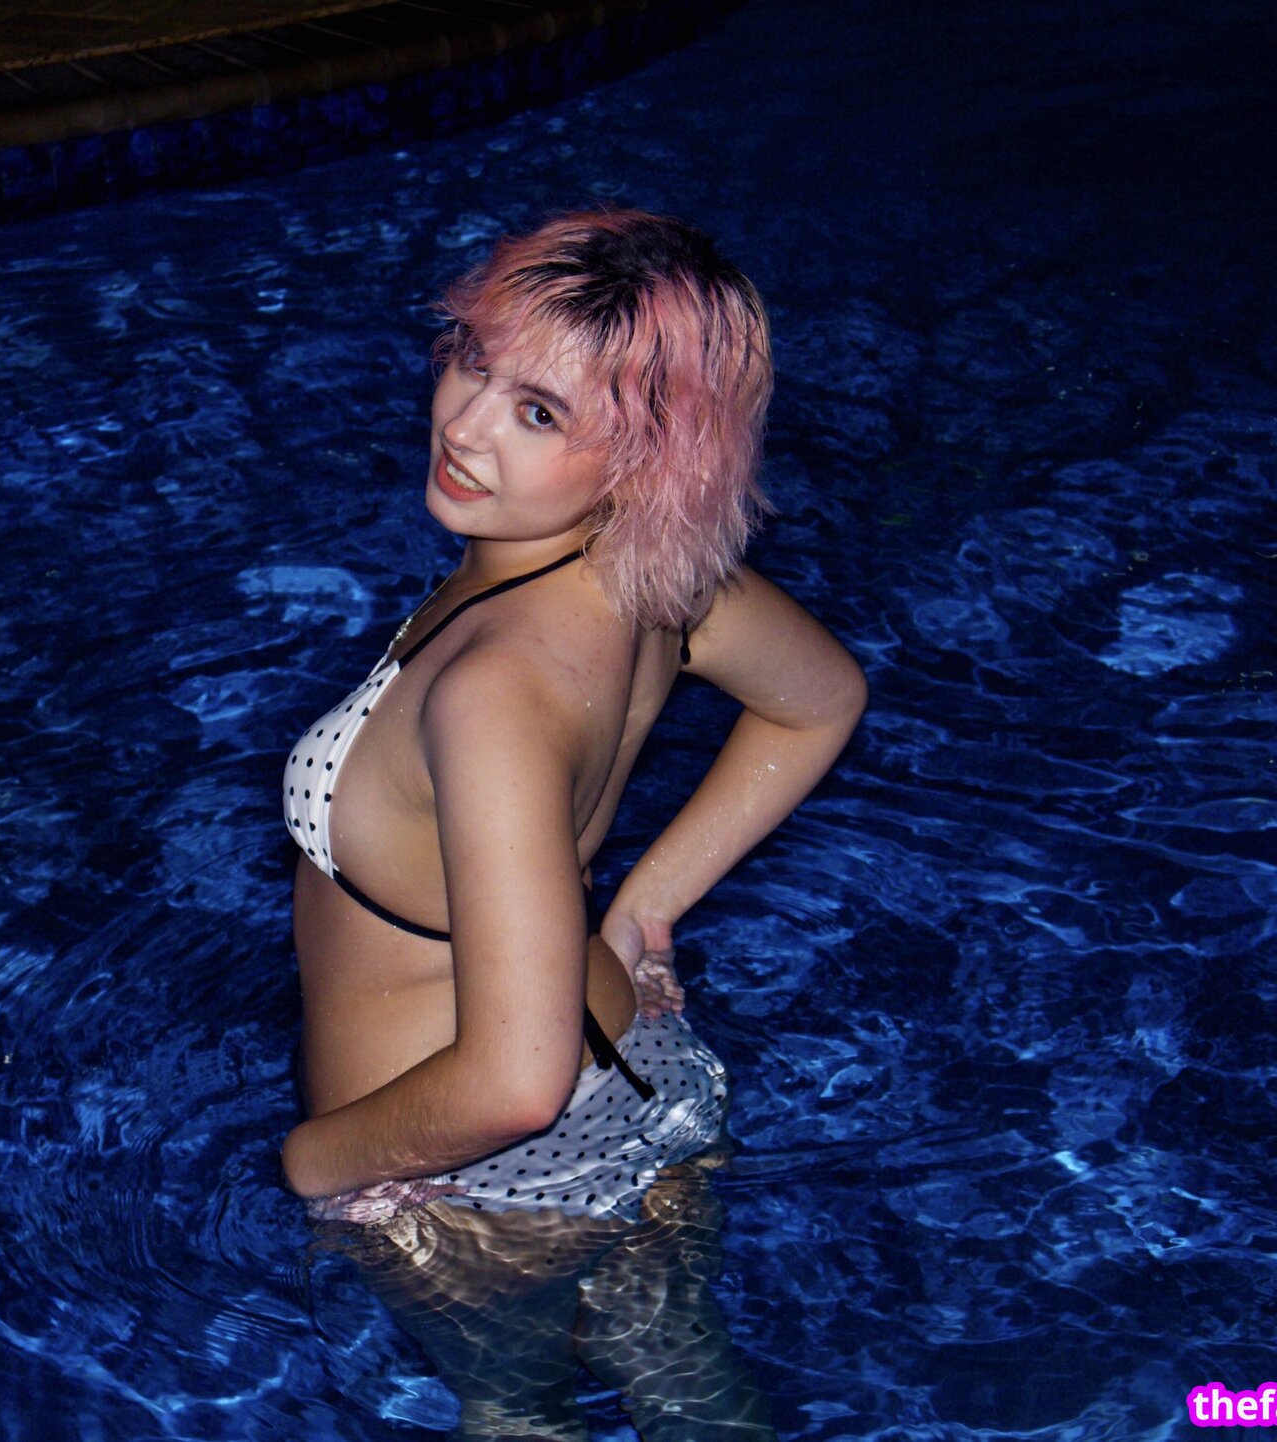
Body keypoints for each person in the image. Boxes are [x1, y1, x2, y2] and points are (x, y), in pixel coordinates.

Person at [279, 208, 865, 1438]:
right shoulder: (655, 574)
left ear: (649, 457)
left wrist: (315, 1164)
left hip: (474, 1181)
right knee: (695, 1399)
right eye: (473, 360)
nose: (466, 425)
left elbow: (513, 1079)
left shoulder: (494, 690)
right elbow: (818, 699)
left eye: (539, 413)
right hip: (643, 1086)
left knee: (517, 1409)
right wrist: (644, 909)